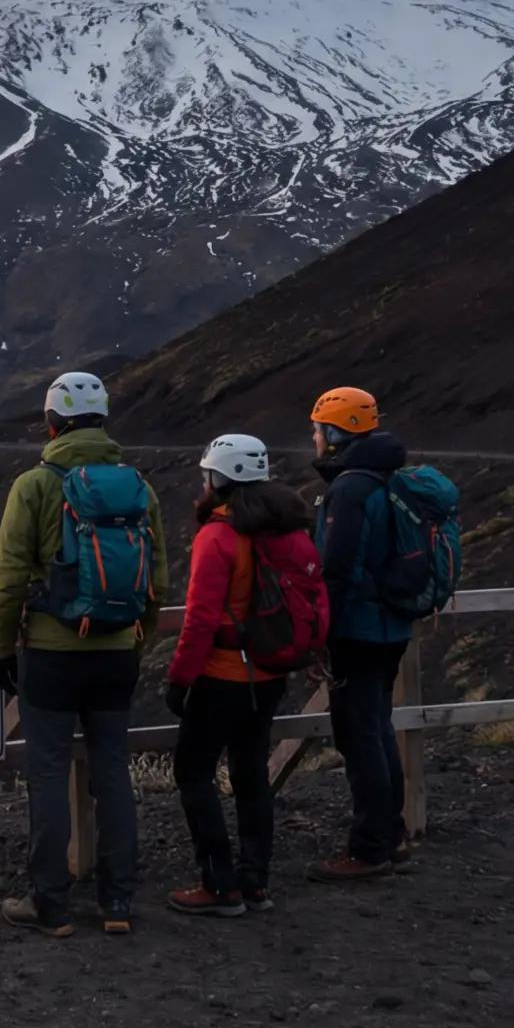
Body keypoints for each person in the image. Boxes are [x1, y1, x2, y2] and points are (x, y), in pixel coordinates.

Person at [0, 371, 169, 938]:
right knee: (112, 772)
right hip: (116, 654)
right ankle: (117, 901)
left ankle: (52, 905)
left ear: (52, 424)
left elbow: (10, 575)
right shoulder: (140, 486)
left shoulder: (34, 486)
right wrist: (136, 632)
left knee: (47, 774)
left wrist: (1, 648)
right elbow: (157, 578)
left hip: (50, 652)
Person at [163, 435, 326, 916]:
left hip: (221, 677)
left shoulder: (217, 537)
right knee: (252, 773)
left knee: (193, 772)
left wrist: (180, 678)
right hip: (271, 674)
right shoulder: (286, 530)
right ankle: (255, 881)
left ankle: (218, 885)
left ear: (219, 479)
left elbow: (200, 619)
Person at [305, 386, 416, 882]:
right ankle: (390, 837)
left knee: (359, 736)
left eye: (317, 429)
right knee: (378, 729)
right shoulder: (390, 477)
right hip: (391, 624)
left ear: (335, 433)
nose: (313, 437)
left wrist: (320, 632)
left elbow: (339, 567)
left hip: (358, 630)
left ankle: (369, 848)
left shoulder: (350, 488)